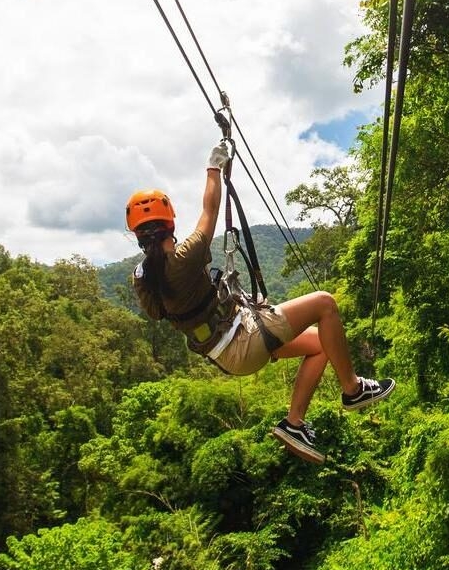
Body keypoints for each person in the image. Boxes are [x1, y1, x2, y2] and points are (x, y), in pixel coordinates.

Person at [125, 141, 395, 465]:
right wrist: (214, 167)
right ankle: (352, 389)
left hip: (226, 351)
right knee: (325, 303)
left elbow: (160, 311)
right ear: (170, 223)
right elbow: (210, 210)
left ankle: (294, 424)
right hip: (243, 341)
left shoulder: (142, 278)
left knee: (321, 344)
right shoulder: (184, 257)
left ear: (138, 236)